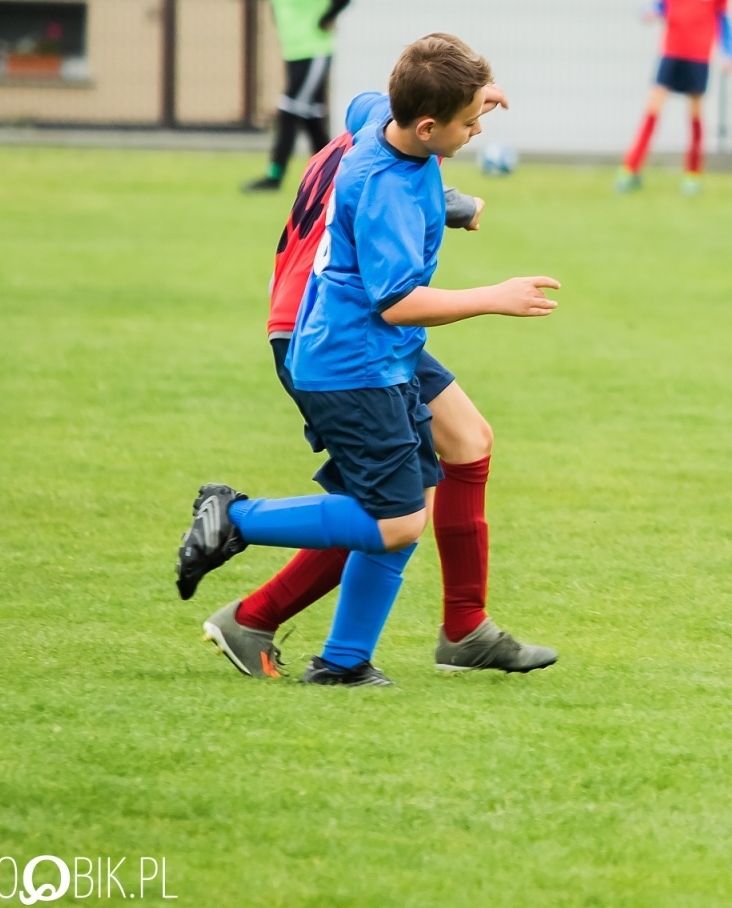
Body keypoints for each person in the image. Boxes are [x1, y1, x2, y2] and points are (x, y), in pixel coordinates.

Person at [177, 34, 561, 686]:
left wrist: (471, 99)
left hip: (367, 340)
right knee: (391, 513)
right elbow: (395, 295)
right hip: (330, 334)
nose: (475, 130)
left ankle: (419, 639)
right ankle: (245, 547)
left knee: (458, 449)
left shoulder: (379, 121)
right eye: (467, 123)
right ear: (428, 123)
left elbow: (381, 113)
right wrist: (491, 290)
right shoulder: (388, 188)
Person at [614, 0, 732, 197]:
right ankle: (630, 170)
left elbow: (725, 21)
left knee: (694, 115)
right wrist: (649, 10)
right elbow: (663, 3)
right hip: (671, 52)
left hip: (699, 56)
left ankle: (692, 175)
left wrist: (730, 53)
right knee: (653, 109)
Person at [243, 0, 352, 193]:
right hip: (291, 52)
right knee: (312, 118)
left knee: (289, 110)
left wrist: (325, 20)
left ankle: (273, 176)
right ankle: (335, 176)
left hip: (314, 52)